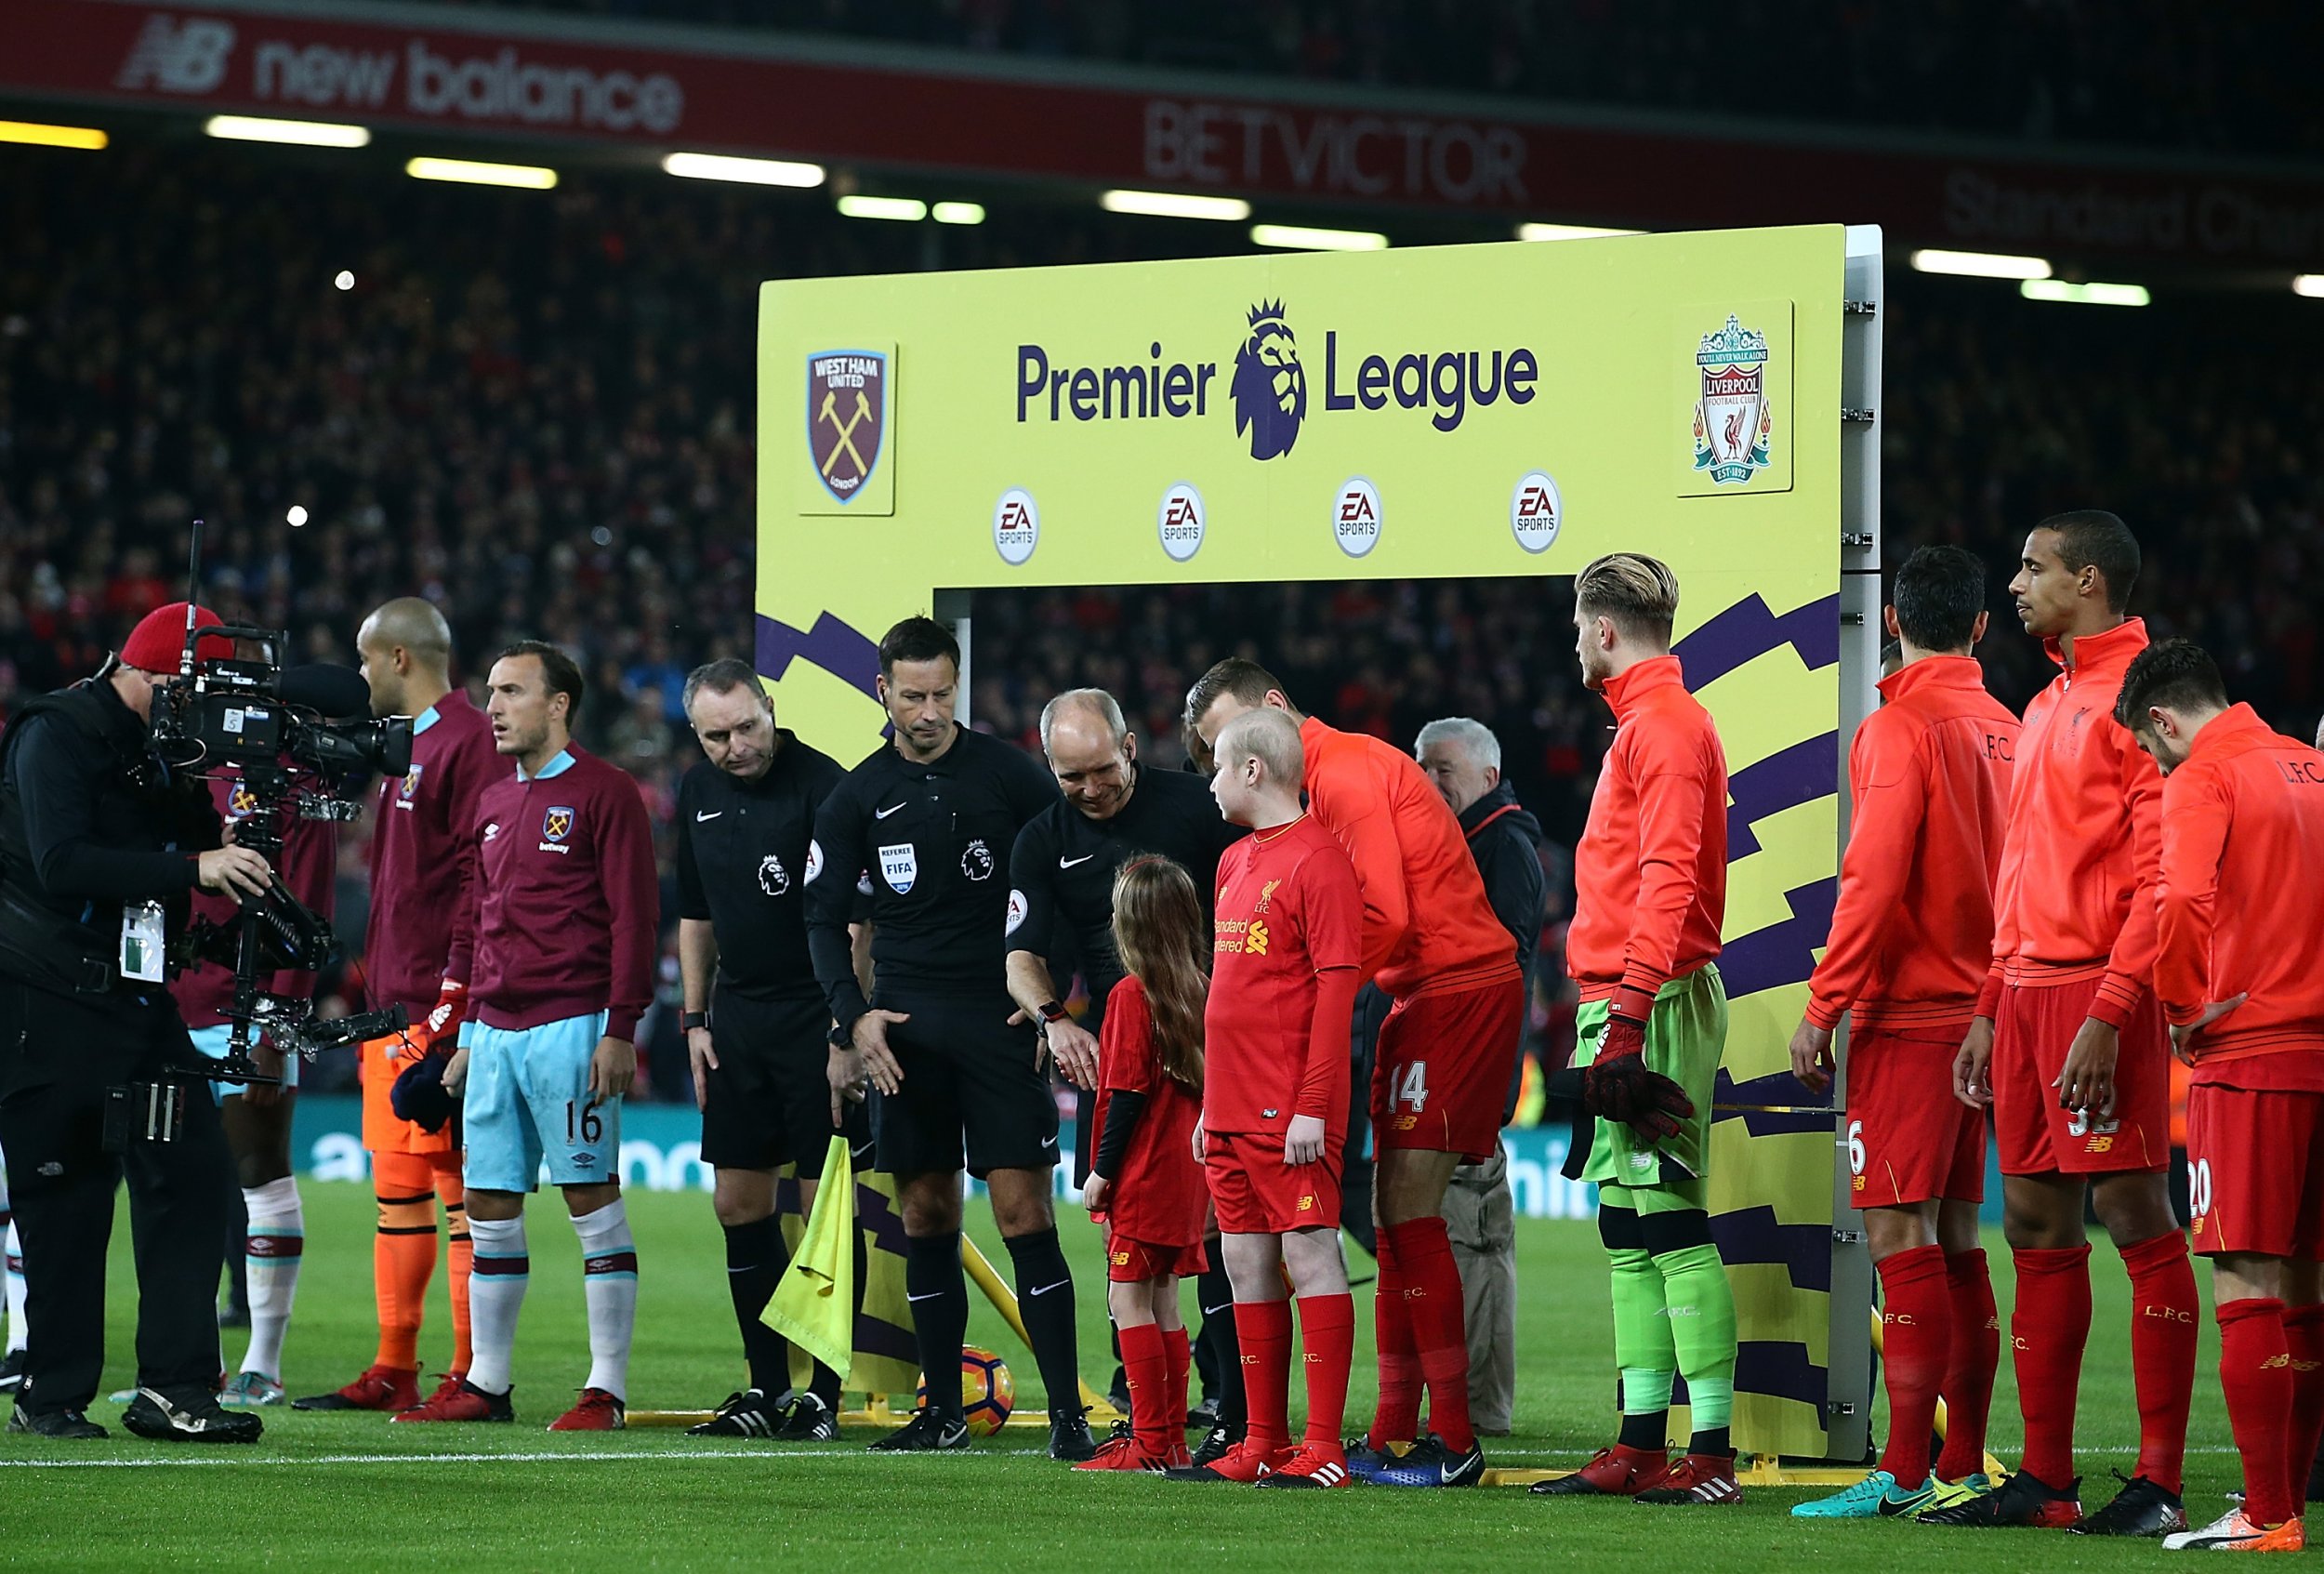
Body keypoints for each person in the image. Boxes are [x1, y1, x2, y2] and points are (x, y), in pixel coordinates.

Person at [1184, 662, 1524, 1490]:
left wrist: (1296, 1008)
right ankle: (1395, 1428)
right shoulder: (1281, 825)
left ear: (1270, 713)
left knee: (1407, 1213)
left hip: (1456, 986)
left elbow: (1383, 917)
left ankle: (1450, 1437)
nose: (1222, 761)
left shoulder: (1347, 774)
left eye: (1229, 742)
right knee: (1391, 1211)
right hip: (1419, 993)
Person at [1927, 512, 2198, 1535]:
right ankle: (2045, 1479)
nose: (2018, 580)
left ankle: (2161, 1478)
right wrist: (1991, 1009)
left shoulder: (2143, 704)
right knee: (2034, 1224)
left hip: (2100, 997)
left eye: (2034, 567)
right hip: (2026, 995)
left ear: (2088, 579)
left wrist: (2110, 1009)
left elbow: (2159, 879)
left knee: (2135, 1217)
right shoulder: (2041, 704)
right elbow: (2017, 874)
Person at [805, 617, 1094, 1460]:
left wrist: (1055, 999)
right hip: (903, 1027)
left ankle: (1071, 1420)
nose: (929, 710)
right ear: (882, 690)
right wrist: (851, 1018)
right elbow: (823, 921)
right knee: (927, 1214)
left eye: (943, 693)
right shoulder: (854, 797)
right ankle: (941, 1413)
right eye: (913, 694)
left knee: (1023, 1211)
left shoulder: (1010, 776)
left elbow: (1073, 882)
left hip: (998, 1019)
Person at [0, 602, 271, 1441]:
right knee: (68, 1198)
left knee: (191, 1175)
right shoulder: (56, 735)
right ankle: (51, 1397)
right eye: (189, 691)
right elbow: (62, 860)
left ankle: (176, 1390)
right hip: (45, 1002)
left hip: (131, 999)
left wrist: (223, 829)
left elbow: (189, 840)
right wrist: (195, 860)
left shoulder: (162, 750)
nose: (198, 711)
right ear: (150, 675)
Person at [1785, 546, 2016, 1519]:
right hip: (1985, 1019)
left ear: (1890, 624)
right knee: (1959, 1238)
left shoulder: (1898, 726)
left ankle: (1904, 1471)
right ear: (1978, 626)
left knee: (1896, 1233)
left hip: (1910, 1016)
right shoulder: (2009, 727)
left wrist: (1822, 1004)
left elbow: (1871, 881)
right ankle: (1959, 1463)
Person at [399, 641, 657, 1431]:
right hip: (496, 1032)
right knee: (487, 1203)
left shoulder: (606, 793)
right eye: (489, 692)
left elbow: (633, 919)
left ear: (559, 703)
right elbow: (475, 923)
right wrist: (467, 1030)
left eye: (512, 691)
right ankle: (487, 1382)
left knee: (589, 1197)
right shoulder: (488, 801)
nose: (494, 707)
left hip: (572, 1026)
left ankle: (605, 1389)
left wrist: (619, 1029)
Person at [1530, 552, 1739, 1506]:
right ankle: (1638, 1444)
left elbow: (1667, 878)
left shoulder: (1661, 727)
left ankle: (1713, 1452)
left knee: (1671, 1221)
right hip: (1622, 997)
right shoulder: (1649, 725)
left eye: (1578, 627)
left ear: (1603, 631)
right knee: (1626, 1227)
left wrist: (1626, 1016)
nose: (1574, 642)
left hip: (1644, 999)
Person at [2111, 640, 2324, 1554]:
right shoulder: (2311, 766)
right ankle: (2282, 1504)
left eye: (2150, 749)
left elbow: (2180, 900)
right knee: (2305, 1285)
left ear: (2164, 719)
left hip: (2249, 1054)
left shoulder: (2203, 777)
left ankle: (2267, 1511)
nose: (2155, 767)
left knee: (2243, 1273)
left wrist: (2181, 1009)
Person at [1005, 687, 1244, 1455]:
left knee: (1181, 1261)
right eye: (1070, 777)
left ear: (1130, 747)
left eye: (1101, 770)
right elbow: (1019, 957)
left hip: (1178, 1066)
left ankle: (1209, 1414)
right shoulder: (1042, 839)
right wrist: (1055, 1019)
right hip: (1139, 1056)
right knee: (1169, 1271)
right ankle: (1177, 1417)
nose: (1088, 789)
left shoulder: (1200, 807)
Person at [298, 597, 495, 1414]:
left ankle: (471, 1370)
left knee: (457, 1193)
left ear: (400, 659)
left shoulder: (468, 742)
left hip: (434, 1003)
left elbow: (475, 883)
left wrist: (459, 1004)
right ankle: (393, 1364)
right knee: (398, 1188)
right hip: (392, 1004)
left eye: (365, 658)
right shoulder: (407, 748)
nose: (359, 674)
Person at [1166, 708, 1362, 1488]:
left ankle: (1324, 1446)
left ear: (1253, 770)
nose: (1208, 779)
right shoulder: (1233, 861)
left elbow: (1336, 991)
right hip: (1235, 1105)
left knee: (1310, 1254)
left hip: (1292, 1110)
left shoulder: (1320, 861)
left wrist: (1314, 1103)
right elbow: (1231, 994)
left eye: (1216, 764)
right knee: (1245, 1261)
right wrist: (1213, 1100)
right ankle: (1262, 1440)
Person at [671, 658, 865, 1442]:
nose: (735, 745)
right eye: (716, 735)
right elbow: (696, 914)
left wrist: (843, 1028)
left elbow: (856, 923)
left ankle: (822, 1394)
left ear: (770, 708)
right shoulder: (696, 791)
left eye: (747, 726)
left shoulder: (826, 785)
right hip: (739, 1017)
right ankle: (763, 1386)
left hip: (813, 1014)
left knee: (824, 1209)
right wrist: (693, 1019)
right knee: (737, 1204)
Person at [167, 754, 336, 1408]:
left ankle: (261, 1362)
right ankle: (191, 1364)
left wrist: (278, 1026)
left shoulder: (295, 779)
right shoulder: (173, 763)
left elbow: (312, 903)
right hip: (170, 1006)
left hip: (251, 1011)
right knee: (180, 1188)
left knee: (261, 1175)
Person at [1412, 715, 1547, 1440]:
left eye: (1445, 768)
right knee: (1450, 1239)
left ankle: (1479, 1407)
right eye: (1421, 765)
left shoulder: (1502, 849)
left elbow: (1502, 978)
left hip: (1465, 1087)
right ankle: (1453, 1400)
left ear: (1488, 777)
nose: (1429, 779)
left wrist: (1481, 1089)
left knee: (1475, 1244)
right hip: (1438, 1082)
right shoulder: (1465, 844)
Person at [1076, 855, 1210, 1474]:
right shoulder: (1199, 988)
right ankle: (1173, 1442)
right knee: (1165, 1304)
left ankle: (1151, 1443)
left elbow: (1125, 1091)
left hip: (1145, 1171)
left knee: (1126, 1299)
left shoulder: (1134, 994)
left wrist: (1102, 1171)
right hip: (1185, 1175)